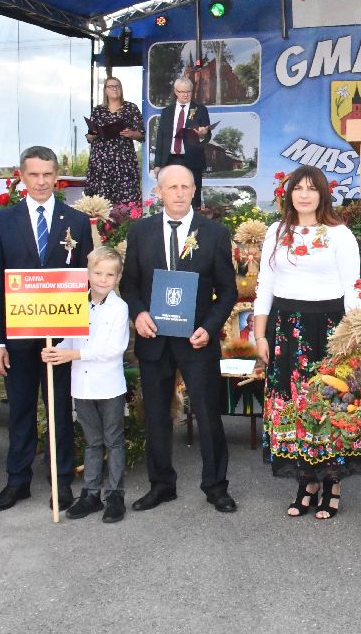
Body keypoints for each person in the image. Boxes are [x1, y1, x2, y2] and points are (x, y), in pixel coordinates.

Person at [119, 164, 239, 513]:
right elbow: (129, 284)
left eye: (186, 186)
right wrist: (138, 313)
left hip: (196, 340)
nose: (180, 193)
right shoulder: (140, 232)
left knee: (208, 415)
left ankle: (216, 487)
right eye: (172, 187)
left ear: (194, 190)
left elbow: (228, 291)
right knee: (156, 415)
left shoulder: (214, 233)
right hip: (154, 338)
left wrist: (210, 327)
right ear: (159, 192)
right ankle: (161, 485)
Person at [0, 146, 93, 512]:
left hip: (60, 337)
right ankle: (17, 481)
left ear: (56, 176)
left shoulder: (76, 221)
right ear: (21, 177)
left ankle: (61, 481)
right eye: (34, 174)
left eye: (47, 174)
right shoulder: (2, 221)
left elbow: (86, 282)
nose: (41, 181)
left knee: (60, 409)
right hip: (17, 337)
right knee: (20, 411)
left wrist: (79, 337)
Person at [253, 165, 361, 519]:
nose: (304, 194)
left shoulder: (340, 234)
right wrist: (259, 334)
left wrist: (352, 338)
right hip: (286, 329)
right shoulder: (276, 232)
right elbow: (265, 285)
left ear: (322, 194)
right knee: (294, 404)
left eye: (311, 188)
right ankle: (306, 483)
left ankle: (332, 482)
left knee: (329, 404)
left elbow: (353, 288)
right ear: (289, 194)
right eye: (298, 188)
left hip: (329, 330)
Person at [41, 246, 131, 523]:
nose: (103, 279)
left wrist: (73, 354)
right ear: (88, 274)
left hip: (109, 386)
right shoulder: (76, 304)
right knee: (92, 442)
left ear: (117, 278)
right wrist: (56, 351)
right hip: (82, 385)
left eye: (109, 275)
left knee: (113, 440)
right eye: (98, 273)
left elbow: (113, 349)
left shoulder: (120, 308)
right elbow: (71, 339)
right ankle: (91, 494)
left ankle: (114, 495)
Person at [152, 77, 211, 209]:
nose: (185, 95)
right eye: (182, 92)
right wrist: (157, 164)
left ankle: (194, 220)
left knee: (193, 198)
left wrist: (203, 134)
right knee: (170, 195)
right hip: (170, 159)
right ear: (175, 92)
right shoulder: (167, 112)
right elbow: (160, 138)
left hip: (192, 160)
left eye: (188, 91)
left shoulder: (200, 110)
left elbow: (207, 136)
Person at [85, 76, 143, 205]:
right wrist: (93, 135)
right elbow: (90, 136)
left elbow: (141, 134)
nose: (115, 89)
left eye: (117, 86)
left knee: (126, 200)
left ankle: (126, 218)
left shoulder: (130, 108)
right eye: (111, 86)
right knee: (100, 201)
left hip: (124, 161)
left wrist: (131, 133)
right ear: (105, 90)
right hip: (101, 161)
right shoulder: (98, 110)